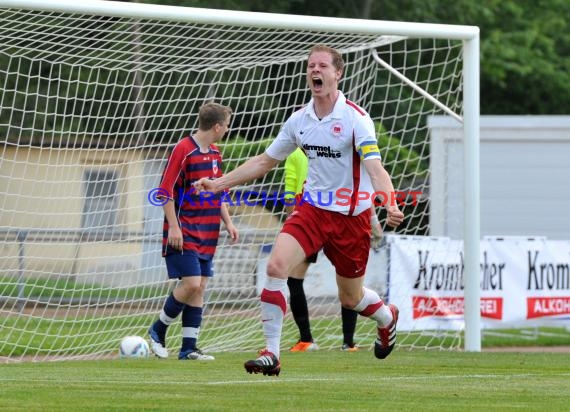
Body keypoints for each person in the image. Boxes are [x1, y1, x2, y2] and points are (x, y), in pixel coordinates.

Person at [194, 44, 404, 376]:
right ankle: (272, 353)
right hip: (313, 210)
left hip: (352, 218)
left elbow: (376, 168)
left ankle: (387, 317)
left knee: (350, 299)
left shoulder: (356, 119)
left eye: (322, 66)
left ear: (338, 73)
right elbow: (265, 161)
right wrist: (219, 184)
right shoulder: (299, 120)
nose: (314, 71)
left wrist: (389, 201)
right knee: (276, 266)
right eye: (311, 66)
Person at [148, 102, 238, 361]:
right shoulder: (183, 150)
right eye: (227, 125)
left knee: (199, 288)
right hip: (184, 229)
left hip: (208, 232)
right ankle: (158, 329)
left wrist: (228, 222)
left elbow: (218, 193)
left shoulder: (216, 154)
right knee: (191, 284)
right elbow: (165, 191)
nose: (227, 129)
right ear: (218, 126)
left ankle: (189, 347)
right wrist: (174, 227)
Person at [284, 148, 384, 352]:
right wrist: (374, 221)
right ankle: (348, 342)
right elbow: (361, 189)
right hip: (340, 219)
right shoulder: (340, 148)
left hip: (309, 220)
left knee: (294, 278)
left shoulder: (294, 154)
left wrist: (291, 223)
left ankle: (306, 340)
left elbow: (289, 193)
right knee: (348, 281)